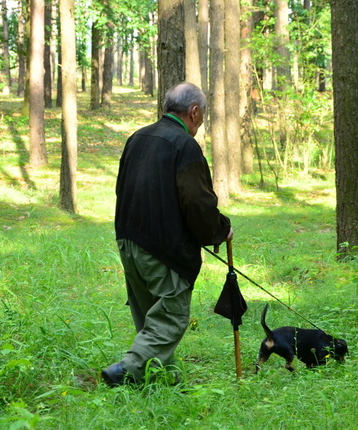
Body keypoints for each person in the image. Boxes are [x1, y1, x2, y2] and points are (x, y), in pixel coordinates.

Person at [102, 82, 233, 387]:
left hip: (128, 241)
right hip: (163, 249)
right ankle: (126, 370)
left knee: (151, 317)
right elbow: (197, 202)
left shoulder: (137, 137)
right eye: (202, 116)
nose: (201, 123)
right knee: (170, 318)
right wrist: (220, 231)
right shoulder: (184, 145)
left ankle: (164, 379)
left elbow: (121, 189)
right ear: (194, 111)